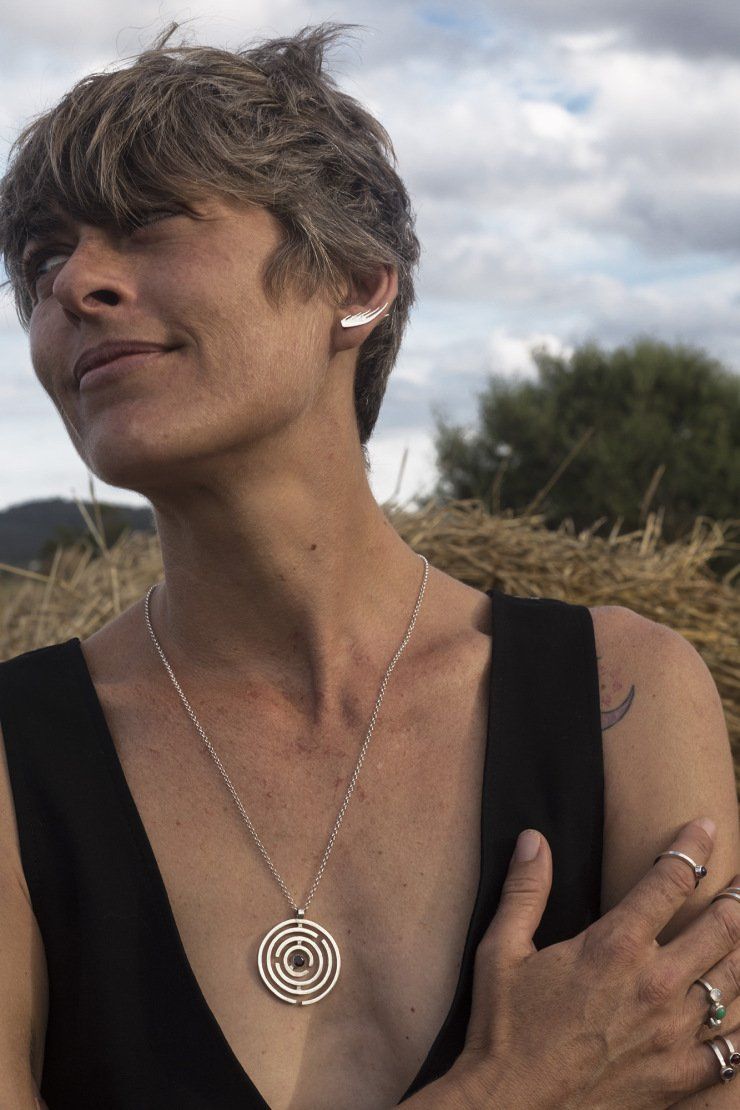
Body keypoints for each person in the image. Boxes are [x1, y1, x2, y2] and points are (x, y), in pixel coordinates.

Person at [0, 19, 738, 1110]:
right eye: (42, 260)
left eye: (146, 223)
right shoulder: (13, 755)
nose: (74, 285)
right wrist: (506, 1094)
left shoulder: (623, 694)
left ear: (355, 281)